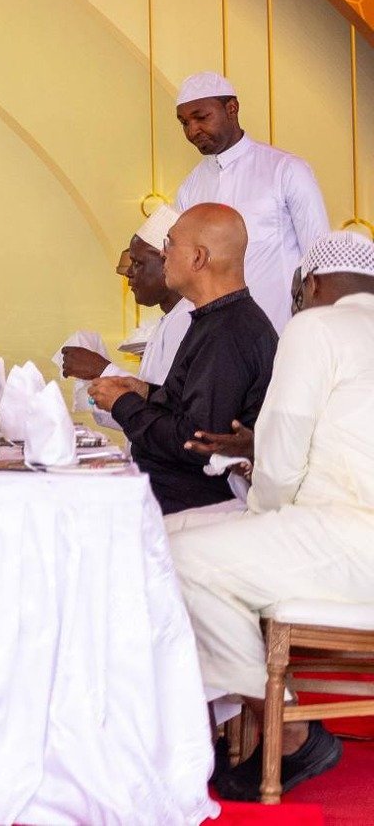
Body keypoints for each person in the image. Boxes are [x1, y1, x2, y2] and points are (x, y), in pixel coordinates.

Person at [168, 230, 374, 801]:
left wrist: (258, 513)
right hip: (349, 537)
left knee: (179, 559)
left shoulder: (316, 325)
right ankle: (208, 724)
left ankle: (290, 730)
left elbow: (283, 459)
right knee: (170, 535)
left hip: (349, 535)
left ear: (310, 285)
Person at [89, 203, 274, 514]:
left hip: (193, 503)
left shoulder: (229, 331)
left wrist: (123, 403)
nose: (164, 254)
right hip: (172, 490)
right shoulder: (215, 318)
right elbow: (189, 406)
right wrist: (145, 392)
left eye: (170, 244)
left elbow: (196, 441)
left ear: (198, 258)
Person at [173, 72, 329, 331]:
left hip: (279, 331)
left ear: (231, 108)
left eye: (201, 117)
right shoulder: (189, 188)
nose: (192, 130)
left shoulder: (285, 170)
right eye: (184, 123)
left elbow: (319, 258)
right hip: (215, 339)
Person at [58, 205, 192, 427]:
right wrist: (99, 382)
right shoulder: (169, 319)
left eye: (138, 264)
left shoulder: (187, 320)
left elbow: (168, 415)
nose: (129, 273)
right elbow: (140, 418)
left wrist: (101, 369)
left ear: (168, 263)